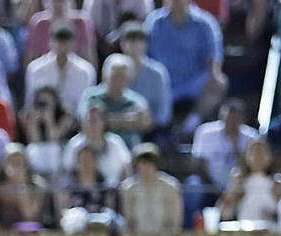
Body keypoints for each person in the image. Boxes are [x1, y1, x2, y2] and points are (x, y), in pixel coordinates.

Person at [143, 0, 225, 133]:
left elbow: (214, 56)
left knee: (220, 83)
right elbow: (143, 54)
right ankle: (157, 127)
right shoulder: (153, 21)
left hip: (193, 82)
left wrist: (215, 75)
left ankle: (191, 123)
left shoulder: (205, 22)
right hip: (161, 82)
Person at [118, 23, 172, 145]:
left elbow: (164, 113)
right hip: (120, 127)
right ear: (122, 43)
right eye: (130, 40)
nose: (134, 45)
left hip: (151, 129)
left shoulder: (157, 73)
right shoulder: (114, 70)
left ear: (145, 44)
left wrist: (145, 122)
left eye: (138, 40)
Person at [81, 55, 151, 148]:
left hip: (129, 148)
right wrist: (126, 121)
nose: (118, 81)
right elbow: (84, 120)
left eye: (122, 77)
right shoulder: (92, 96)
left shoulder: (136, 100)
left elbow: (145, 122)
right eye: (115, 77)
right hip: (97, 149)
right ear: (105, 76)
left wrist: (106, 120)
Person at [25, 24, 94, 116]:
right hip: (43, 119)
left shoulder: (85, 71)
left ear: (74, 43)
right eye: (58, 41)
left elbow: (85, 104)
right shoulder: (35, 69)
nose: (62, 46)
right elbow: (30, 101)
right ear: (50, 42)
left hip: (75, 121)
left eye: (66, 42)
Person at [189, 97, 253, 191]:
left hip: (238, 186)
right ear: (221, 116)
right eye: (229, 119)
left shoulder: (251, 137)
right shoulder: (205, 132)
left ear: (243, 119)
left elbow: (247, 168)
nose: (231, 123)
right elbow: (199, 164)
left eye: (235, 120)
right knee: (193, 183)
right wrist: (213, 185)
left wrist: (235, 143)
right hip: (209, 183)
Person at [217, 137, 281, 226]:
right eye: (254, 152)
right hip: (243, 231)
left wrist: (272, 214)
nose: (258, 156)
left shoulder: (277, 182)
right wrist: (234, 195)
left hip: (270, 231)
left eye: (262, 152)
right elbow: (223, 212)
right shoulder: (239, 182)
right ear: (246, 157)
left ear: (269, 157)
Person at [63, 103, 130, 187]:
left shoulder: (116, 143)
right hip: (82, 193)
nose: (91, 124)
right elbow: (68, 172)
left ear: (104, 122)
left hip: (114, 192)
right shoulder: (74, 145)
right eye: (88, 120)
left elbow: (126, 169)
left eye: (95, 120)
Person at [120, 142, 182, 233]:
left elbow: (174, 223)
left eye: (149, 162)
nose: (145, 166)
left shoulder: (170, 187)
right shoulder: (129, 188)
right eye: (141, 162)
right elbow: (128, 222)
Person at [20, 83, 76, 181]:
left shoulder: (65, 116)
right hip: (41, 157)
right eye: (40, 102)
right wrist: (34, 123)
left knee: (53, 148)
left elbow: (54, 139)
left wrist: (49, 120)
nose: (43, 106)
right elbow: (34, 142)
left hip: (61, 154)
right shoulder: (31, 117)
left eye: (46, 102)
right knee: (32, 150)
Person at [24, 0, 94, 65]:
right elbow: (31, 56)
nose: (58, 5)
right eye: (54, 1)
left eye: (62, 1)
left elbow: (89, 55)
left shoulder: (81, 22)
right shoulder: (39, 24)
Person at [0, 144, 49, 229]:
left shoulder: (37, 186)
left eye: (19, 162)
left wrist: (21, 185)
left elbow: (29, 216)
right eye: (12, 162)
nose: (16, 167)